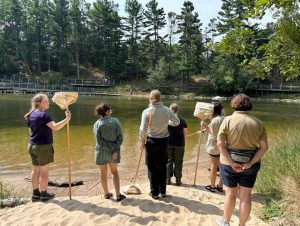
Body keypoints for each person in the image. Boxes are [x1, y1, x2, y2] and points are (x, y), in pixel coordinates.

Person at [217, 94, 268, 226]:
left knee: (230, 193)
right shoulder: (258, 122)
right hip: (250, 164)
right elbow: (264, 147)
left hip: (228, 163)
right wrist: (250, 163)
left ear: (234, 104)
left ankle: (225, 222)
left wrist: (231, 162)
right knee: (245, 196)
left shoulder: (227, 120)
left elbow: (220, 145)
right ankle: (242, 224)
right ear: (249, 105)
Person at [24, 93, 71, 201]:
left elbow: (30, 132)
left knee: (35, 171)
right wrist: (67, 119)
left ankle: (35, 194)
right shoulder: (44, 115)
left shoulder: (31, 115)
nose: (48, 102)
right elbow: (55, 127)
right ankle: (44, 194)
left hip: (31, 145)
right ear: (38, 103)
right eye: (45, 101)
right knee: (44, 172)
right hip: (43, 147)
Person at [139, 90, 180, 199]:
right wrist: (168, 123)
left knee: (152, 167)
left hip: (152, 141)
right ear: (160, 98)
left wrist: (142, 140)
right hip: (164, 141)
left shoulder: (147, 111)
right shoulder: (167, 110)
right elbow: (177, 122)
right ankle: (163, 192)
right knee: (162, 166)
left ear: (150, 98)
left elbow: (143, 129)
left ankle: (154, 193)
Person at [93, 103, 126, 202]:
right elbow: (120, 138)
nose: (111, 111)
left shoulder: (97, 124)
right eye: (110, 110)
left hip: (101, 152)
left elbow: (99, 142)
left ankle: (106, 194)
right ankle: (118, 195)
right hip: (114, 152)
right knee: (114, 172)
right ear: (107, 112)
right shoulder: (116, 121)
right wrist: (115, 150)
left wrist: (110, 148)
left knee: (103, 173)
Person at [202, 103, 224, 193]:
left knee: (213, 167)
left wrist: (204, 125)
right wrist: (205, 128)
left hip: (214, 146)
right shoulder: (224, 119)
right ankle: (220, 186)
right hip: (223, 146)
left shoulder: (215, 120)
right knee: (222, 166)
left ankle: (212, 186)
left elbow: (213, 134)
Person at [167, 103, 188, 186]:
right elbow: (186, 134)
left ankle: (167, 180)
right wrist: (184, 141)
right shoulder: (182, 120)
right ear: (178, 110)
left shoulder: (166, 120)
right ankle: (178, 180)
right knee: (178, 162)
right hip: (180, 144)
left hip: (168, 143)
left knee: (168, 161)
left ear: (170, 110)